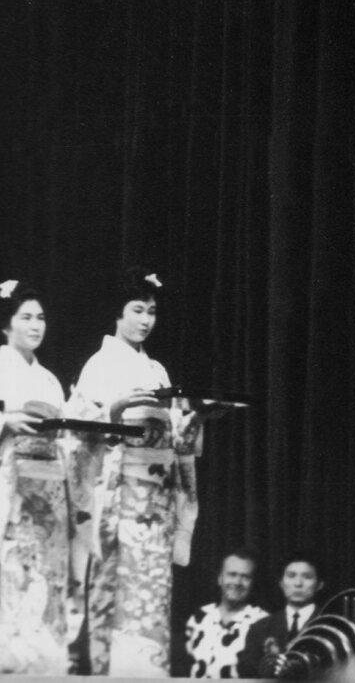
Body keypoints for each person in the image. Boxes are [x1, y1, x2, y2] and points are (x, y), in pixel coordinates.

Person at [66, 267, 210, 675]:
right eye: (137, 310)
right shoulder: (100, 365)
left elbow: (180, 440)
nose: (145, 320)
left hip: (157, 503)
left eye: (151, 311)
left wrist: (198, 416)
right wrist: (113, 410)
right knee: (118, 589)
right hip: (119, 498)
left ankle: (148, 670)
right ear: (118, 314)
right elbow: (78, 434)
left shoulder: (158, 371)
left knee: (152, 592)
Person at [0, 280, 79, 674]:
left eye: (41, 317)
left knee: (48, 578)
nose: (35, 325)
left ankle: (45, 665)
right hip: (11, 485)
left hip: (49, 488)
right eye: (26, 317)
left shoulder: (48, 378)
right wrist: (6, 420)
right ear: (6, 324)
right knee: (14, 571)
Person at [183, 549, 268, 678]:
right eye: (232, 574)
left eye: (245, 577)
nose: (237, 582)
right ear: (220, 579)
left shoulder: (263, 622)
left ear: (253, 582)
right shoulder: (200, 616)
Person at [237, 554, 325, 678]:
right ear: (281, 583)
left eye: (307, 577)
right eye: (291, 576)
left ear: (320, 584)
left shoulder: (329, 623)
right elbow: (247, 671)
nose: (298, 583)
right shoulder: (260, 628)